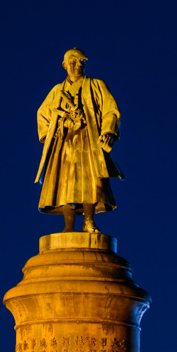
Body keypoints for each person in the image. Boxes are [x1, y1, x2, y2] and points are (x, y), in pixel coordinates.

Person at [36, 48, 123, 233]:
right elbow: (42, 114)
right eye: (73, 61)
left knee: (90, 180)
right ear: (65, 65)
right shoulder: (57, 91)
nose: (78, 65)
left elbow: (111, 111)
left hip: (88, 139)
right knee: (64, 183)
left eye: (81, 62)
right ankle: (68, 226)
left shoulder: (96, 85)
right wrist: (51, 132)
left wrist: (108, 131)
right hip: (64, 142)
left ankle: (89, 221)